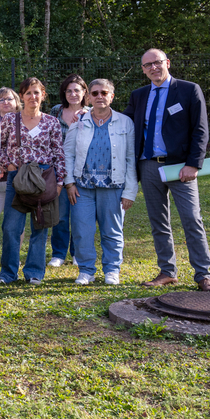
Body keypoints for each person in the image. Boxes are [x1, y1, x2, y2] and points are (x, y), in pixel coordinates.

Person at [123, 49, 210, 291]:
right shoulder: (139, 95)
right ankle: (167, 271)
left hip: (180, 167)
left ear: (167, 63)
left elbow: (200, 129)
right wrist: (94, 113)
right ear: (143, 70)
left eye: (157, 62)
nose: (153, 67)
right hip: (148, 166)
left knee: (192, 219)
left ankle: (203, 276)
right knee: (158, 222)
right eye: (147, 65)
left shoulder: (188, 89)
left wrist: (193, 163)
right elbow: (125, 124)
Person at [63, 79, 137, 285]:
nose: (99, 97)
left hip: (114, 187)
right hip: (82, 188)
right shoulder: (79, 124)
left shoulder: (125, 123)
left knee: (112, 231)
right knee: (81, 230)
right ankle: (86, 271)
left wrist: (129, 192)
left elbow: (131, 158)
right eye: (94, 93)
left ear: (112, 96)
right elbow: (67, 155)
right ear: (88, 98)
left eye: (104, 93)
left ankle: (112, 270)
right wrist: (69, 183)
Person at [0, 77, 67, 285]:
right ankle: (8, 273)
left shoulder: (51, 122)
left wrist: (60, 181)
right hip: (17, 177)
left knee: (40, 226)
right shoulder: (10, 120)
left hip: (44, 177)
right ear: (22, 97)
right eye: (28, 93)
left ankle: (34, 272)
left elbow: (58, 153)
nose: (32, 97)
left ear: (43, 95)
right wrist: (6, 164)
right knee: (11, 227)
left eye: (36, 92)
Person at [48, 74, 89, 268]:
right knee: (61, 215)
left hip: (81, 171)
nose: (73, 94)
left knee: (80, 215)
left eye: (77, 90)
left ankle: (77, 253)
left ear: (84, 93)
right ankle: (58, 253)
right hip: (57, 170)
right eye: (69, 90)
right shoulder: (56, 111)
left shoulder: (90, 113)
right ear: (64, 93)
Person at [0, 88, 21, 226]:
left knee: (16, 222)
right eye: (1, 99)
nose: (5, 102)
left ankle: (16, 248)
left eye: (9, 99)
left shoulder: (24, 121)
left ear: (16, 101)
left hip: (17, 177)